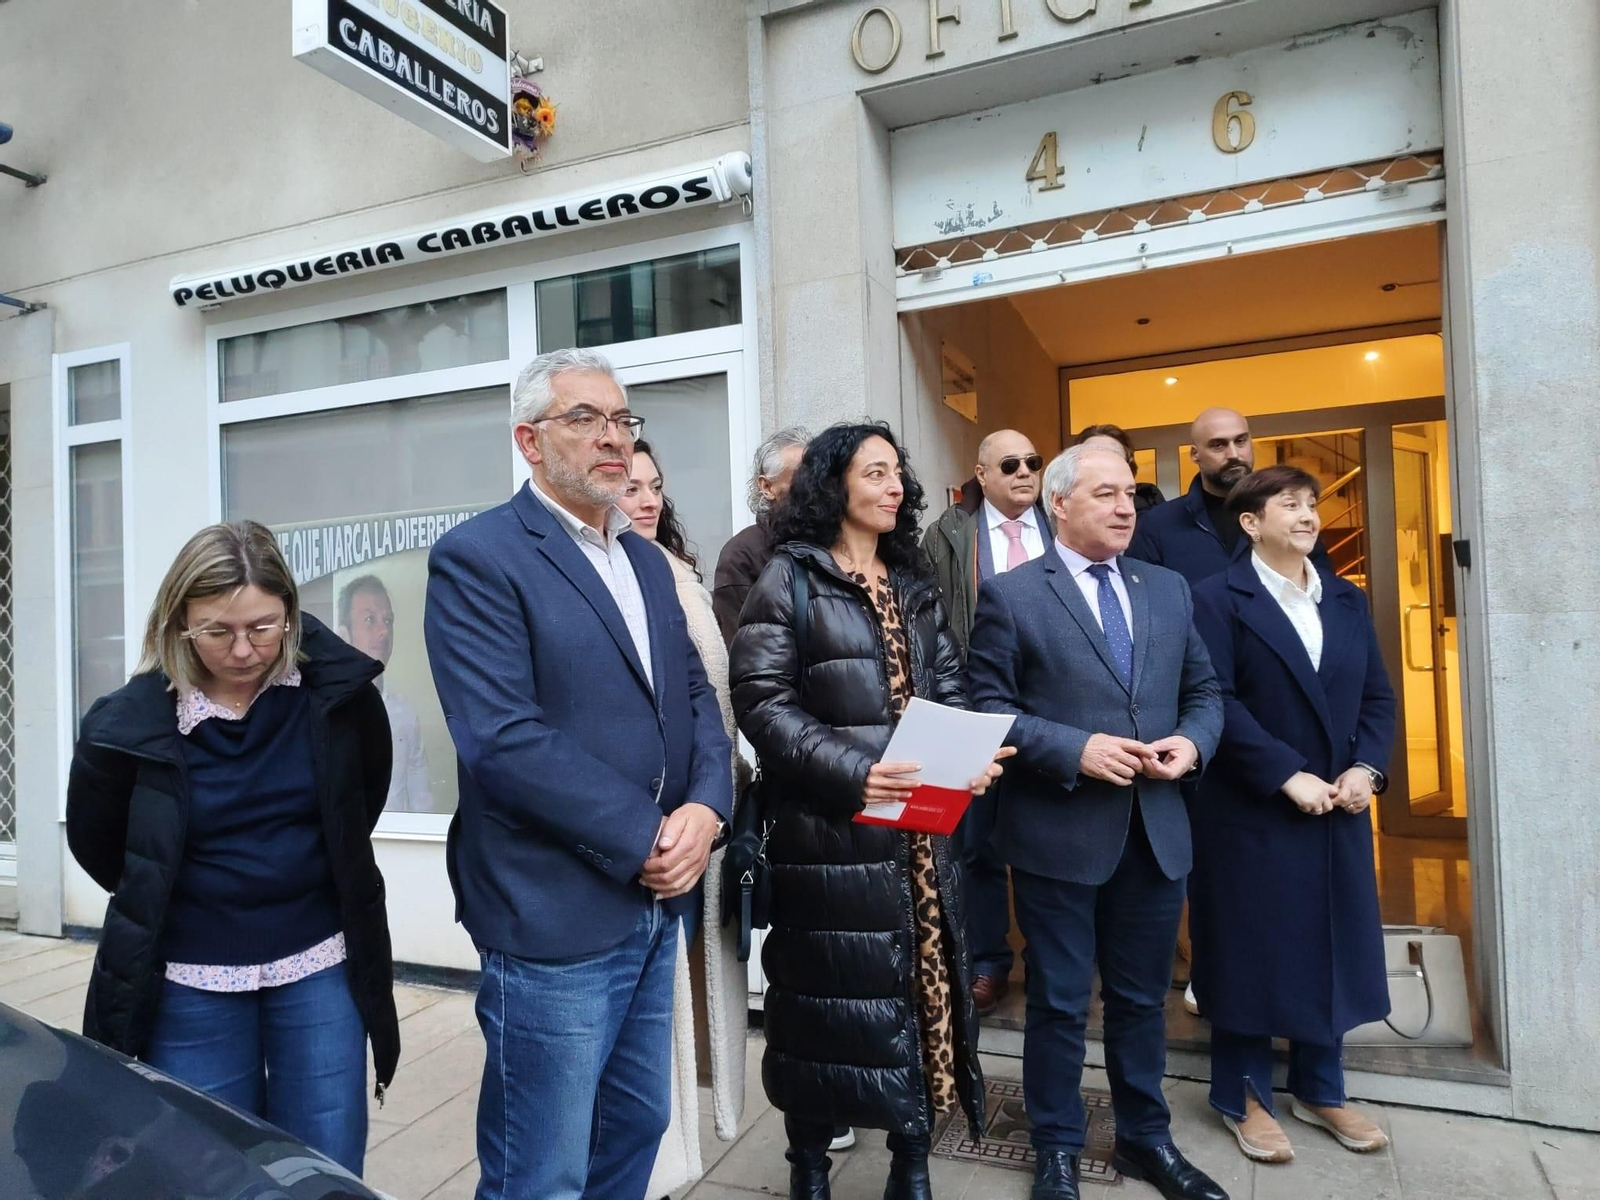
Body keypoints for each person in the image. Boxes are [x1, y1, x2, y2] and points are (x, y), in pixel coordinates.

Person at [424, 347, 735, 1200]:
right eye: (585, 419)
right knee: (544, 1167)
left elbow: (697, 702)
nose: (614, 440)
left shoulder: (641, 558)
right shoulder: (480, 557)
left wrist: (708, 808)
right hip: (554, 912)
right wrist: (647, 836)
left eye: (623, 420)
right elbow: (502, 739)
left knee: (634, 1126)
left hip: (656, 902)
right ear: (529, 440)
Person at [65, 520, 399, 1176]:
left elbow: (359, 802)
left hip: (319, 971)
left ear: (291, 615)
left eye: (264, 627)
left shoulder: (337, 698)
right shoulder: (127, 727)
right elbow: (104, 847)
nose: (244, 649)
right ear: (179, 623)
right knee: (209, 1169)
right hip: (193, 983)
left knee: (326, 1165)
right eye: (218, 632)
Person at [730, 422, 1010, 1200]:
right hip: (828, 839)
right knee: (823, 1011)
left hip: (922, 837)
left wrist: (972, 760)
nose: (894, 487)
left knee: (926, 1000)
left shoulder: (913, 580)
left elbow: (950, 688)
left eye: (897, 474)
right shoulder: (790, 577)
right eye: (875, 472)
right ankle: (809, 1170)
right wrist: (859, 775)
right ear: (834, 486)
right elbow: (761, 703)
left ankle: (910, 1165)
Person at [966, 445, 1227, 1200]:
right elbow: (989, 709)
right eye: (1106, 494)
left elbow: (1205, 691)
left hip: (1155, 831)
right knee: (1057, 1002)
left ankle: (1145, 1139)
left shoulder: (1168, 588)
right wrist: (1075, 749)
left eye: (1131, 496)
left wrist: (1194, 743)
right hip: (1058, 836)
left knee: (1143, 1002)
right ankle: (1055, 1147)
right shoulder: (1013, 595)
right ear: (1060, 504)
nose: (1124, 508)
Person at [1188, 466, 1397, 1164]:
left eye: (1313, 504)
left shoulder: (1345, 598)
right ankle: (1240, 1095)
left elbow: (1376, 697)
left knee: (1328, 944)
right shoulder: (1216, 598)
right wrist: (1285, 774)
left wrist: (1366, 769)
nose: (1309, 515)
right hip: (1253, 805)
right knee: (1252, 948)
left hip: (1336, 804)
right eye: (1291, 505)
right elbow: (1214, 696)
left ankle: (1321, 1087)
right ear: (1251, 522)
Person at [616, 439, 749, 1196]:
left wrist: (714, 799)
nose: (647, 499)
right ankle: (650, 1168)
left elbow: (710, 704)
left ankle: (663, 1160)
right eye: (631, 486)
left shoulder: (679, 574)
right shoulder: (611, 579)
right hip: (647, 835)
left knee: (683, 1011)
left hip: (704, 822)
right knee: (649, 1024)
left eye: (655, 486)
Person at [921, 428, 1050, 1017]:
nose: (1025, 472)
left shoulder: (1063, 526)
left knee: (1053, 841)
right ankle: (989, 963)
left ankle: (1054, 963)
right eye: (1010, 464)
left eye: (1033, 462)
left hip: (1053, 709)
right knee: (978, 843)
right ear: (981, 473)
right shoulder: (950, 537)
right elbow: (933, 622)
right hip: (977, 706)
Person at [338, 573, 434, 812]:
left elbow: (422, 800)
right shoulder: (322, 710)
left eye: (388, 621)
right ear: (343, 635)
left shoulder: (405, 715)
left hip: (397, 848)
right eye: (370, 619)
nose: (383, 632)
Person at [1128, 407, 1257, 578]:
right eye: (1218, 445)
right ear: (1195, 454)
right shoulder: (1157, 525)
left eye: (1240, 441)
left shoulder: (1283, 514)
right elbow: (1144, 597)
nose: (1233, 454)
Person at [713, 425, 810, 647]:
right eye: (802, 476)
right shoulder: (739, 557)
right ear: (767, 486)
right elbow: (747, 654)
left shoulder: (834, 542)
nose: (814, 487)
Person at [1072, 424, 1165, 513]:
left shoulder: (1154, 519)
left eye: (1114, 459)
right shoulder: (1064, 516)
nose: (1104, 466)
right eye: (1094, 459)